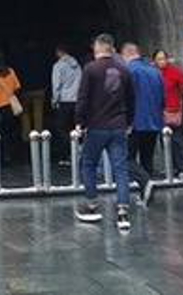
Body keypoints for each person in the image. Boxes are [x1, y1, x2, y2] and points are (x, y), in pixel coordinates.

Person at [74, 33, 136, 233]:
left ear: (97, 48)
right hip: (118, 125)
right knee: (120, 168)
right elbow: (131, 99)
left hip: (97, 125)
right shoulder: (124, 70)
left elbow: (83, 98)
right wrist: (129, 122)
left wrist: (79, 122)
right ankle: (123, 212)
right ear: (112, 48)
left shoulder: (91, 69)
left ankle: (92, 205)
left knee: (88, 163)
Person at [121, 42, 165, 204]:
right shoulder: (155, 71)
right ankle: (146, 196)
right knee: (147, 157)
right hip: (154, 121)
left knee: (126, 158)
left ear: (126, 54)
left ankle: (145, 182)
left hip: (135, 122)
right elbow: (162, 96)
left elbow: (125, 98)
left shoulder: (129, 71)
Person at [154, 49, 183, 178]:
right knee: (164, 141)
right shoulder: (154, 73)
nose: (162, 62)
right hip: (159, 111)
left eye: (163, 58)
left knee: (177, 141)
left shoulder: (174, 72)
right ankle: (172, 167)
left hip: (173, 110)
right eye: (159, 59)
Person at [0, 53, 22, 159]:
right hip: (11, 105)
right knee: (11, 131)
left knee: (1, 132)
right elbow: (17, 87)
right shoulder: (11, 71)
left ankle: (3, 154)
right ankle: (13, 152)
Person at [50, 44, 82, 163]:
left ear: (59, 52)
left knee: (61, 128)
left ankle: (67, 152)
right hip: (77, 99)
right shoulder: (77, 65)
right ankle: (79, 151)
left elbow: (56, 85)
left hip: (64, 101)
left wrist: (55, 100)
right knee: (76, 127)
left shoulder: (58, 66)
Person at [13, 43, 50, 142]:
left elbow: (18, 74)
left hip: (26, 90)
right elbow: (45, 71)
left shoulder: (20, 59)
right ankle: (38, 134)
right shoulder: (40, 58)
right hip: (39, 89)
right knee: (38, 114)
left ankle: (26, 136)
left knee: (25, 115)